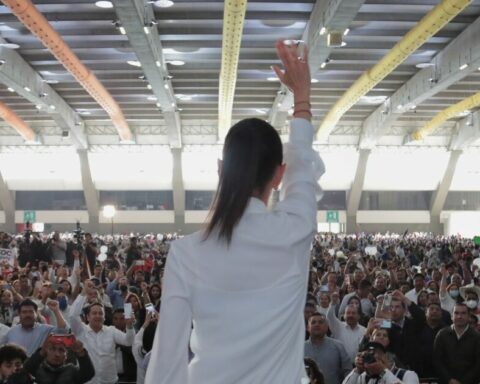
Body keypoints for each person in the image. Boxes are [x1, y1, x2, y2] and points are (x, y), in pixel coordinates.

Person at [145, 40, 324, 384]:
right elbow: (303, 168)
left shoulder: (186, 253)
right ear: (278, 176)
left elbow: (167, 361)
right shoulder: (295, 232)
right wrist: (302, 99)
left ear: (220, 170)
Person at [70, 280, 135, 384]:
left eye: (100, 313)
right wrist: (83, 293)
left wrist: (130, 326)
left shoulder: (111, 331)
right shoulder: (80, 330)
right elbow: (73, 316)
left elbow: (129, 341)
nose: (97, 315)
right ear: (87, 317)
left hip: (110, 381)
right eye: (94, 313)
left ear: (104, 317)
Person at [17, 334, 95, 384]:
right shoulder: (38, 368)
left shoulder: (72, 370)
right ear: (46, 351)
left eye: (61, 350)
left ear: (66, 355)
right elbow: (26, 369)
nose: (57, 354)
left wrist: (81, 353)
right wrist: (42, 352)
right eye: (52, 349)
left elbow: (88, 374)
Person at [433, 302, 480, 384]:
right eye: (456, 313)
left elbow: (478, 365)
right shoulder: (442, 334)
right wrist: (449, 380)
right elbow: (437, 361)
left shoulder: (477, 337)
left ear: (469, 316)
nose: (459, 316)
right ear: (451, 316)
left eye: (463, 313)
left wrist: (463, 382)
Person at [3, 298, 67, 356]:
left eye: (31, 312)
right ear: (19, 314)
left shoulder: (44, 329)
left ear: (36, 314)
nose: (28, 315)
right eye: (24, 312)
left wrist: (56, 310)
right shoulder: (12, 331)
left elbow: (62, 330)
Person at [304, 312, 351, 384]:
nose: (317, 324)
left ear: (326, 327)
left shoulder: (338, 346)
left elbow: (348, 372)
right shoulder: (300, 349)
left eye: (320, 322)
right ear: (308, 328)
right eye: (313, 322)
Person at [343, 342, 419, 384]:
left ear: (386, 356)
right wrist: (357, 370)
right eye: (368, 356)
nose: (372, 360)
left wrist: (383, 371)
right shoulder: (364, 377)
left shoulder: (408, 375)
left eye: (375, 354)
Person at [327, 296, 366, 364]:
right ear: (344, 316)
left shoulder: (364, 330)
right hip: (339, 365)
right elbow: (329, 316)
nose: (350, 315)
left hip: (357, 365)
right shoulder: (338, 326)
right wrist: (333, 303)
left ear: (359, 316)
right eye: (348, 313)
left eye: (353, 313)